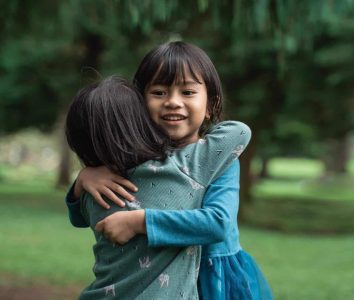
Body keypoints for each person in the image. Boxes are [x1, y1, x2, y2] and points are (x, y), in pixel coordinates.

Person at [66, 41, 273, 299]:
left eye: (187, 92)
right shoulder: (135, 161)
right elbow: (82, 217)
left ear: (210, 105)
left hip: (214, 273)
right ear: (139, 104)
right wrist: (83, 180)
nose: (173, 102)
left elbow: (218, 221)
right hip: (168, 276)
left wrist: (140, 221)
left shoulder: (218, 158)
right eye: (159, 92)